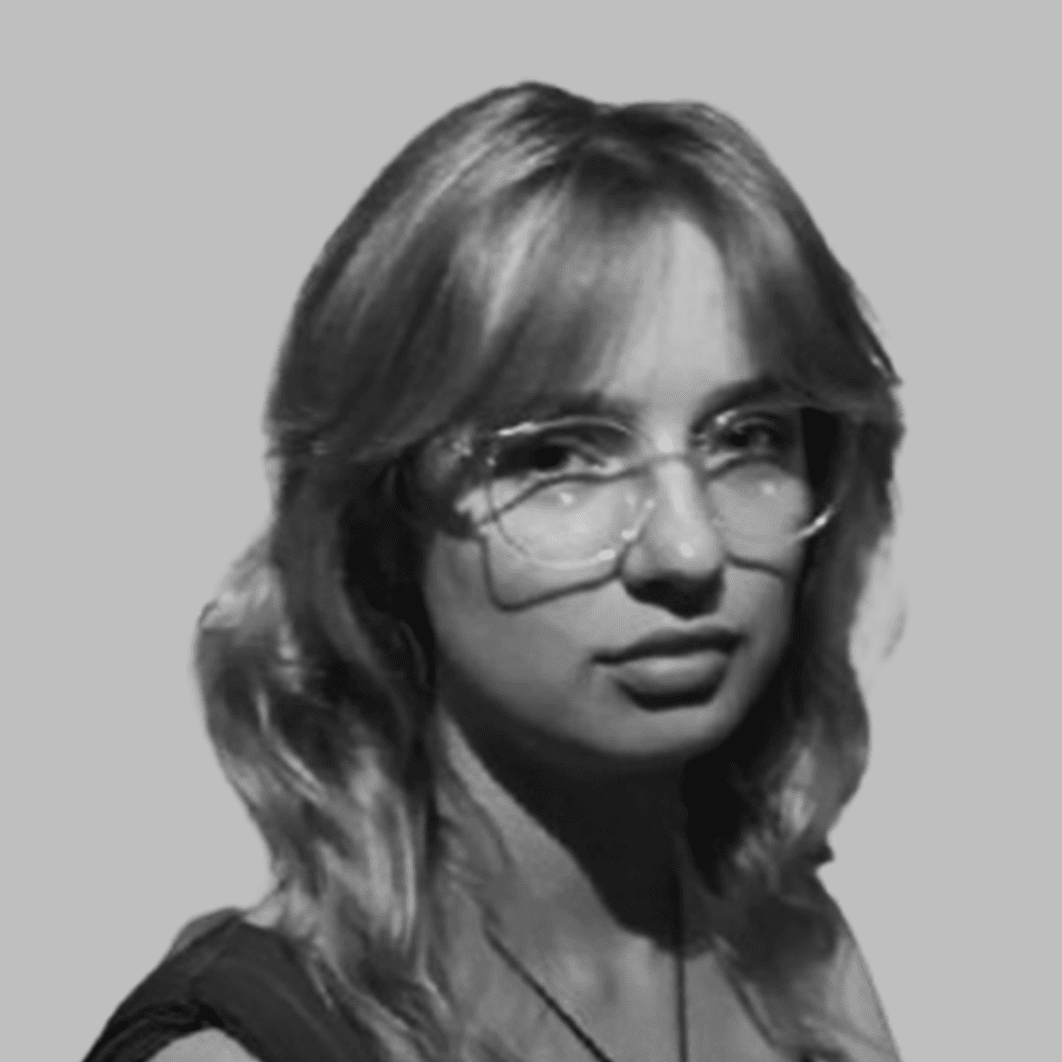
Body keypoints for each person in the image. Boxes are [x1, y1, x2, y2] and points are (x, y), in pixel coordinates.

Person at [84, 81, 904, 1062]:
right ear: (377, 519)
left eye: (748, 436)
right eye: (557, 457)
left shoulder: (793, 959)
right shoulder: (253, 1048)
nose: (689, 550)